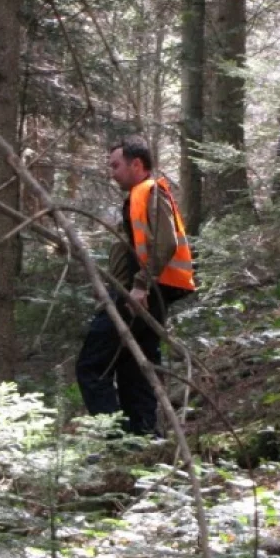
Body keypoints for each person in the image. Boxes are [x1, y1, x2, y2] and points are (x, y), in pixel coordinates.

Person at [75, 136, 195, 436]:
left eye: (116, 165)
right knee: (134, 371)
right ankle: (140, 442)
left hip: (139, 295)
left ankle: (115, 440)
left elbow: (165, 243)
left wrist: (139, 286)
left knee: (91, 367)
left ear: (137, 164)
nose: (111, 172)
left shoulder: (149, 192)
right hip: (146, 294)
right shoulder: (141, 197)